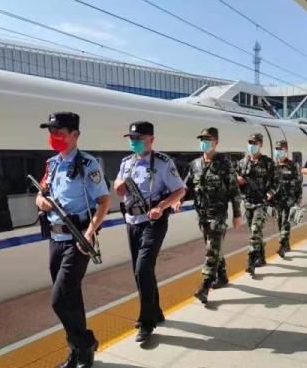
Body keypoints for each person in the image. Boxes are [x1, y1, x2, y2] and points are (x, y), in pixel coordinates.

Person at [36, 112, 111, 368]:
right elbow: (40, 194)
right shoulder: (52, 164)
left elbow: (104, 201)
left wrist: (90, 232)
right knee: (71, 299)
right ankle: (77, 351)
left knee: (59, 300)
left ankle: (85, 344)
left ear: (75, 135)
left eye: (59, 132)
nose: (53, 137)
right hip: (55, 240)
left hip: (78, 241)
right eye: (51, 132)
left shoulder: (88, 164)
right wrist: (42, 202)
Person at [114, 121, 185, 342]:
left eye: (139, 139)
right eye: (132, 139)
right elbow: (118, 186)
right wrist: (118, 186)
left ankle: (146, 322)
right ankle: (156, 310)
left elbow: (180, 190)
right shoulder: (126, 163)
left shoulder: (163, 163)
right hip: (132, 220)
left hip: (154, 222)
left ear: (151, 139)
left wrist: (161, 207)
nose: (134, 142)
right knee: (140, 270)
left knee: (142, 268)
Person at [178, 127, 242, 304]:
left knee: (211, 250)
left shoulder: (225, 164)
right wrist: (179, 200)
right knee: (214, 247)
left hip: (218, 215)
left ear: (216, 142)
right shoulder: (194, 165)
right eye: (202, 139)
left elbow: (234, 190)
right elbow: (186, 187)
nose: (204, 142)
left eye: (208, 139)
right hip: (202, 215)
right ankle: (222, 276)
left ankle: (204, 287)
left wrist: (237, 214)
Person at [236, 133, 278, 276]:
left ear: (261, 144)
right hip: (247, 203)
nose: (252, 145)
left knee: (255, 232)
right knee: (255, 232)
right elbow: (234, 179)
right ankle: (261, 257)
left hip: (261, 203)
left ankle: (251, 262)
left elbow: (276, 181)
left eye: (255, 143)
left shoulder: (268, 162)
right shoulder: (242, 163)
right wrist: (238, 180)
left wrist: (270, 194)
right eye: (250, 142)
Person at [273, 140, 302, 258]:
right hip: (277, 200)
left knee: (285, 223)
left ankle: (282, 247)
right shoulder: (273, 166)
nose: (278, 151)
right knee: (280, 223)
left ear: (286, 150)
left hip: (289, 200)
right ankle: (287, 244)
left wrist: (298, 199)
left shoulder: (292, 165)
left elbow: (298, 182)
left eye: (280, 149)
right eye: (277, 149)